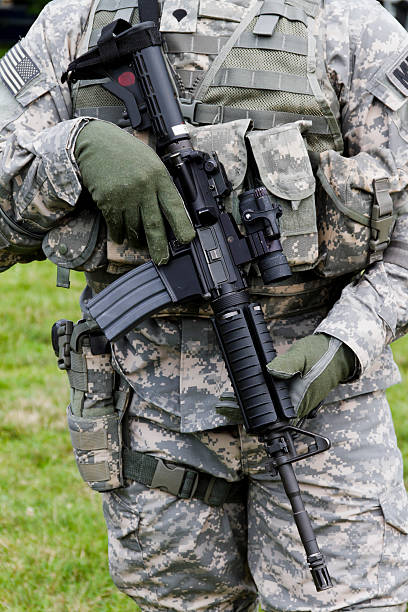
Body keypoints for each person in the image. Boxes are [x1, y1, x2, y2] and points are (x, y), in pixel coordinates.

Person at [1, 0, 408, 609]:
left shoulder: (350, 25)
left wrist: (347, 343)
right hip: (152, 418)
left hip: (320, 419)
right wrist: (77, 149)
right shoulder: (77, 21)